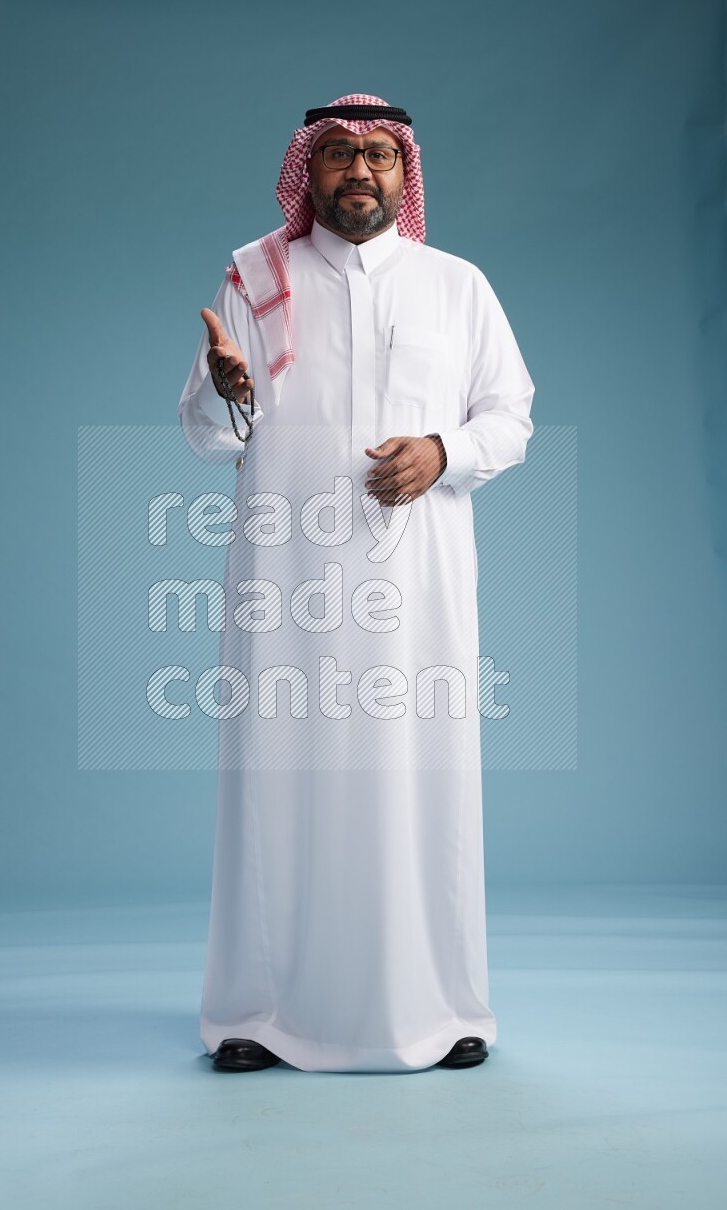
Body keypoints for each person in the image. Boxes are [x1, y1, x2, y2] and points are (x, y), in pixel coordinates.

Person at [177, 94, 535, 1074]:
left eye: (377, 154)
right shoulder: (256, 275)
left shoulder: (456, 286)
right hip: (285, 583)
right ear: (309, 169)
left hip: (413, 590)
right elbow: (210, 432)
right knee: (277, 785)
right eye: (336, 154)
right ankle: (257, 1010)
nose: (358, 171)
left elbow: (509, 415)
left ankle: (444, 1003)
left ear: (402, 170)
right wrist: (227, 388)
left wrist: (440, 448)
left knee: (420, 781)